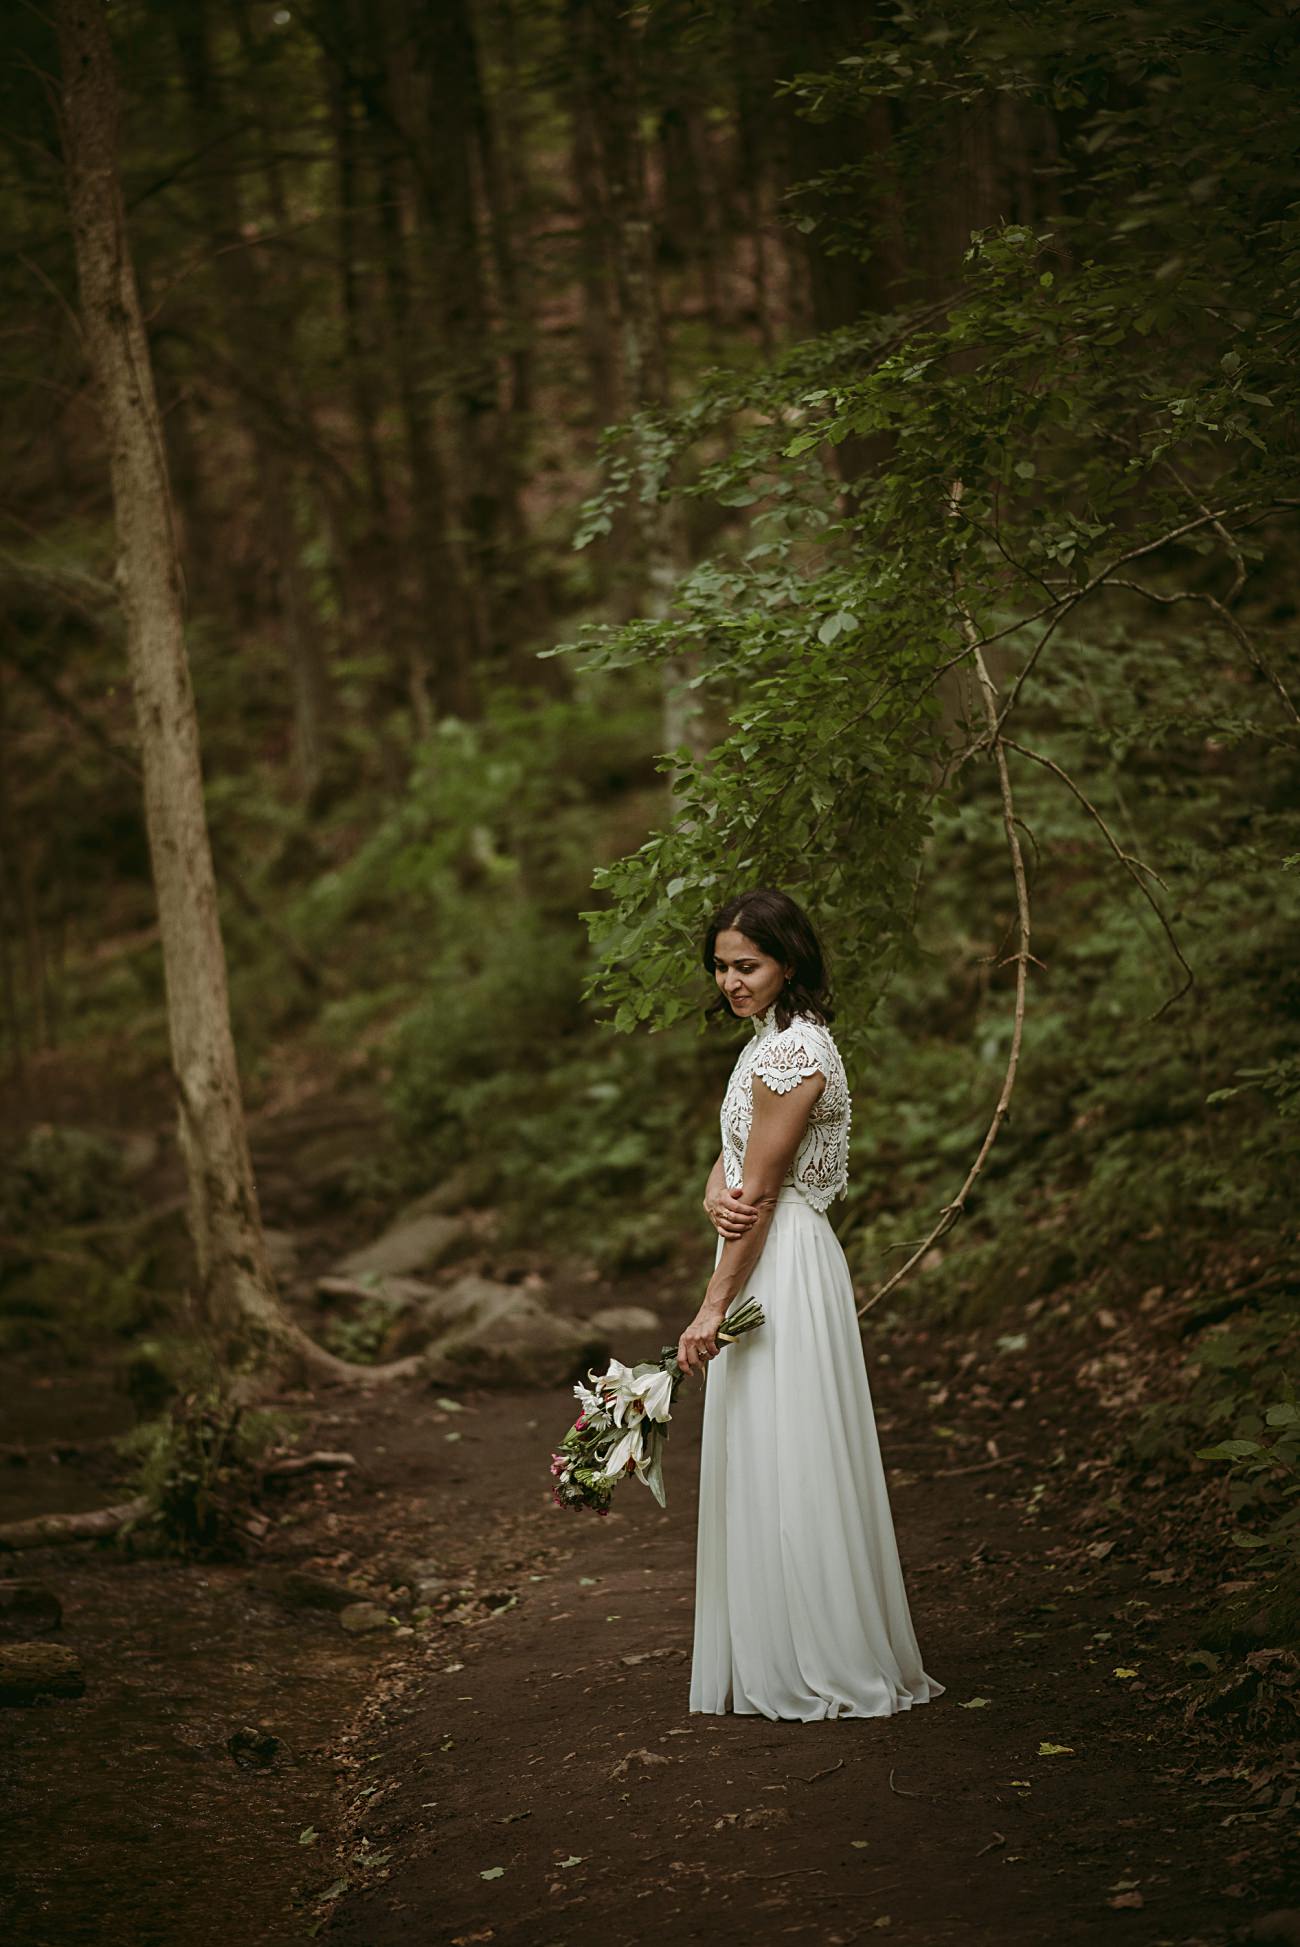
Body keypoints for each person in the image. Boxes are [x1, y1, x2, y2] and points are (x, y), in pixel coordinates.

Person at [677, 887, 945, 1722]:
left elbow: (758, 1192)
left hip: (780, 1262)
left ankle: (822, 1654)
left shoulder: (795, 1052)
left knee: (791, 1449)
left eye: (747, 965)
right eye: (721, 966)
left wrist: (709, 1307)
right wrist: (710, 1191)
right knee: (768, 1450)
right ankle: (783, 1642)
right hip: (773, 1248)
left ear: (788, 961)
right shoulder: (772, 1043)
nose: (731, 980)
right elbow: (735, 1165)